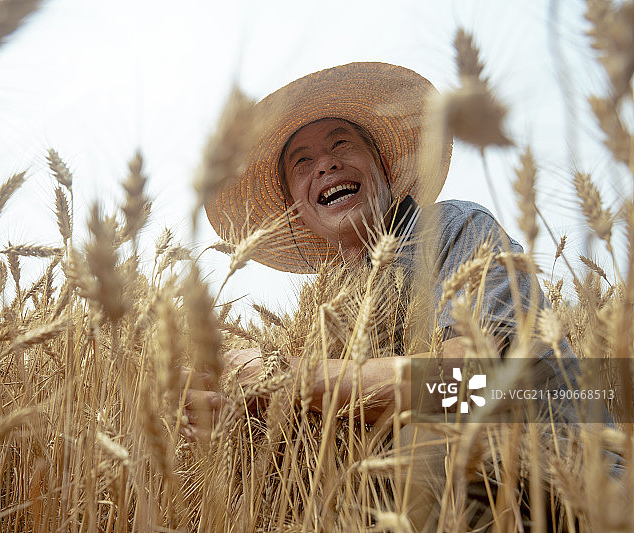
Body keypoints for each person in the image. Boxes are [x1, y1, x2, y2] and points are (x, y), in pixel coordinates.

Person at [183, 62, 612, 530]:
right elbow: (332, 431)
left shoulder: (455, 228)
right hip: (434, 503)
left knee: (426, 443)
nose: (325, 163)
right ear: (297, 211)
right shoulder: (328, 313)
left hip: (569, 490)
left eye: (340, 144)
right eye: (301, 162)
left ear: (384, 167)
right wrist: (244, 419)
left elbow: (463, 386)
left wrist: (284, 379)